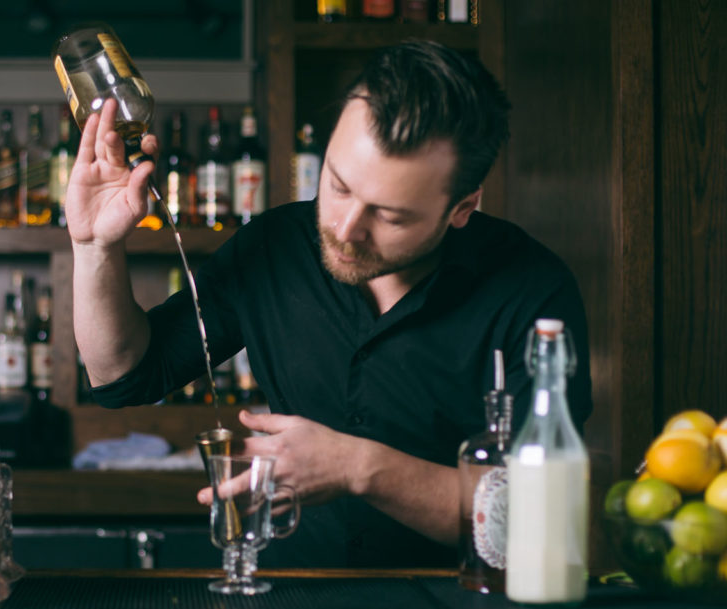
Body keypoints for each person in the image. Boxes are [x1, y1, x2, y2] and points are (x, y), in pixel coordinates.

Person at [64, 40, 593, 567]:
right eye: (338, 185)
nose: (343, 229)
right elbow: (121, 376)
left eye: (390, 216)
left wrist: (356, 467)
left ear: (462, 207)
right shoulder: (271, 248)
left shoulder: (532, 292)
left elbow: (539, 516)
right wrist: (93, 246)